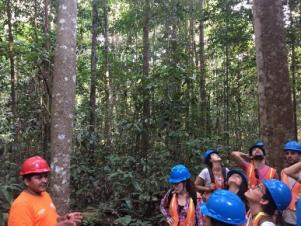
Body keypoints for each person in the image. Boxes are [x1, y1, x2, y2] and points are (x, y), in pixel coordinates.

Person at [8, 156, 82, 226]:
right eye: (39, 178)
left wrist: (62, 219)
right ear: (27, 181)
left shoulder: (45, 195)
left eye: (45, 176)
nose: (45, 180)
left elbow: (48, 219)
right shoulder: (21, 205)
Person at [281, 140, 301, 226]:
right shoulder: (283, 172)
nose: (289, 156)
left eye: (293, 153)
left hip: (298, 214)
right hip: (286, 215)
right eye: (287, 153)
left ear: (300, 155)